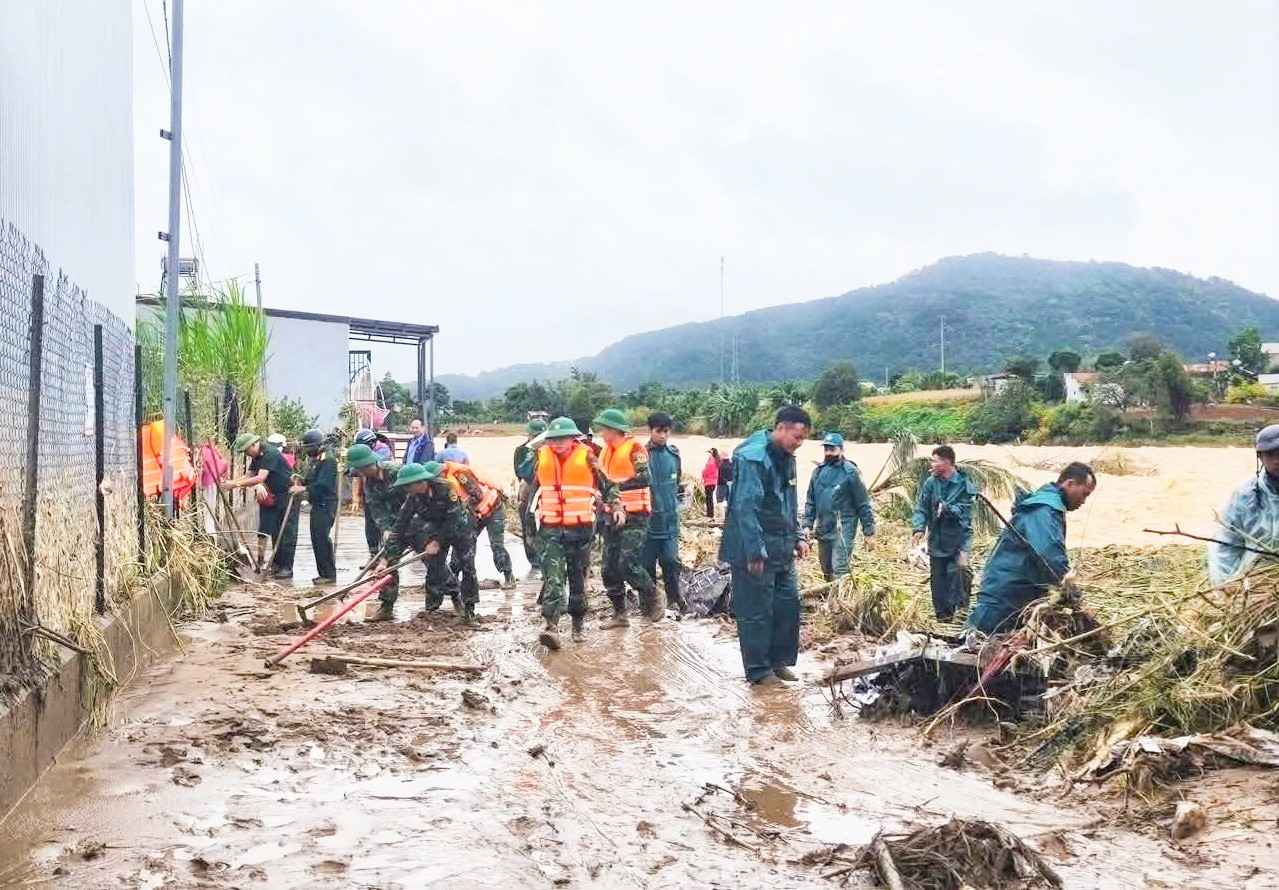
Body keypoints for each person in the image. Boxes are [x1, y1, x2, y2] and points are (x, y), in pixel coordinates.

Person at [719, 406, 812, 687]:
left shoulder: (787, 457)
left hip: (781, 545)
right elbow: (746, 507)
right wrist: (754, 551)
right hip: (752, 547)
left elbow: (789, 501)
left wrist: (798, 536)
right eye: (797, 437)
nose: (799, 443)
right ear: (781, 428)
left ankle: (778, 662)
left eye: (803, 439)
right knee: (756, 610)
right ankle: (759, 671)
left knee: (787, 604)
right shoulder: (753, 458)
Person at [521, 416, 621, 649]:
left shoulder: (588, 457)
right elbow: (531, 488)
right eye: (553, 439)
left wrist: (616, 507)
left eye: (562, 439)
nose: (557, 444)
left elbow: (609, 484)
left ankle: (577, 624)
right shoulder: (541, 457)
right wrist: (529, 528)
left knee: (577, 579)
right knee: (553, 579)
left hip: (580, 531)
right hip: (550, 530)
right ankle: (551, 626)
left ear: (573, 438)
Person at [969, 462, 1096, 634]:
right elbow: (1049, 556)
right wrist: (1070, 592)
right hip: (1007, 593)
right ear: (1070, 483)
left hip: (1018, 592)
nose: (1083, 501)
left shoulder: (1046, 506)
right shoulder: (1043, 511)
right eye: (1084, 494)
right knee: (978, 642)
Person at [379, 461, 480, 625]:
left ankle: (469, 610)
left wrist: (437, 542)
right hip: (438, 528)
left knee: (467, 566)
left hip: (462, 528)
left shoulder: (446, 489)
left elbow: (453, 519)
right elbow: (399, 526)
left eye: (408, 485)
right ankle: (432, 609)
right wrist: (385, 558)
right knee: (435, 565)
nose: (406, 489)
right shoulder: (413, 497)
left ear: (420, 482)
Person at [594, 408, 662, 627]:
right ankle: (620, 614)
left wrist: (614, 485)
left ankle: (653, 596)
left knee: (627, 563)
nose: (601, 433)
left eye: (604, 429)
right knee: (609, 568)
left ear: (614, 430)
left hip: (635, 514)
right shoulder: (605, 452)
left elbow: (645, 477)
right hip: (611, 516)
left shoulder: (634, 448)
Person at [911, 445, 976, 621]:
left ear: (947, 462)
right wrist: (918, 528)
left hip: (959, 538)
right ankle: (943, 617)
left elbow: (964, 511)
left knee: (960, 570)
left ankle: (961, 610)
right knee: (938, 580)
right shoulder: (931, 483)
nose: (931, 465)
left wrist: (947, 509)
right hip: (937, 539)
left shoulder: (964, 484)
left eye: (935, 461)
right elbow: (921, 507)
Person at [1209, 424, 1279, 584]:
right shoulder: (1244, 496)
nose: (1277, 460)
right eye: (1270, 454)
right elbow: (1226, 543)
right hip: (1258, 581)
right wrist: (1226, 585)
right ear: (1260, 457)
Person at [803, 432, 876, 581]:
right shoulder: (817, 472)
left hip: (843, 528)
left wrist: (869, 532)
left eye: (832, 449)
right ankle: (831, 593)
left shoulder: (851, 472)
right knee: (826, 569)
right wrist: (807, 525)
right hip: (823, 526)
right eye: (826, 449)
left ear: (842, 450)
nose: (828, 453)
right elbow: (810, 501)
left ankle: (840, 595)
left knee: (840, 568)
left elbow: (863, 503)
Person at [224, 433, 298, 579]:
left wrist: (235, 484)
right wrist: (232, 483)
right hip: (273, 496)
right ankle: (277, 565)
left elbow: (260, 477)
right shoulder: (257, 456)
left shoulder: (270, 453)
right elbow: (250, 475)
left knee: (286, 533)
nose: (246, 454)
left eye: (246, 450)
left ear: (254, 444)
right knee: (275, 532)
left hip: (287, 495)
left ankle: (286, 568)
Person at [347, 444, 407, 622]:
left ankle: (451, 599)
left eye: (363, 469)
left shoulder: (397, 472)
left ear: (372, 463)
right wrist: (386, 529)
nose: (362, 473)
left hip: (415, 521)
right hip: (394, 527)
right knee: (388, 563)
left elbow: (415, 498)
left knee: (434, 561)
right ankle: (386, 607)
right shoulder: (369, 483)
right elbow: (376, 509)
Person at [440, 459, 516, 589]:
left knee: (496, 544)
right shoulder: (443, 485)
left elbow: (478, 495)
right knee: (463, 542)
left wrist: (463, 510)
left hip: (493, 508)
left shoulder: (460, 476)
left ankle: (508, 576)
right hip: (477, 513)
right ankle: (453, 577)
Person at [643, 412, 686, 612]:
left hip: (669, 520)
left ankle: (674, 599)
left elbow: (676, 485)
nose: (663, 435)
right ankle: (649, 603)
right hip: (647, 522)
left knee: (670, 561)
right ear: (650, 431)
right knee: (646, 565)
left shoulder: (674, 456)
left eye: (666, 431)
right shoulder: (642, 456)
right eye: (658, 431)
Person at [295, 429, 337, 585]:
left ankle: (329, 574)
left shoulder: (328, 460)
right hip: (318, 504)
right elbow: (313, 479)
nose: (306, 451)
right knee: (317, 539)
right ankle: (323, 573)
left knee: (321, 539)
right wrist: (302, 480)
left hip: (326, 504)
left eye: (308, 447)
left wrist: (303, 489)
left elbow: (323, 485)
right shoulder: (318, 459)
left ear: (317, 445)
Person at [514, 419, 548, 579]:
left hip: (540, 490)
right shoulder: (523, 450)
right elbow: (520, 472)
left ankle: (539, 559)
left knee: (535, 525)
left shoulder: (547, 450)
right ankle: (535, 560)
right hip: (530, 488)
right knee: (529, 524)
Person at [355, 428, 393, 556]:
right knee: (371, 521)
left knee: (386, 524)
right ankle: (374, 553)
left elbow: (377, 464)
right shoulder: (364, 468)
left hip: (387, 491)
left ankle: (386, 554)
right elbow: (353, 470)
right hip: (371, 491)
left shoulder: (383, 450)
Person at [702, 449, 720, 519]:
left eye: (709, 453)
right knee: (710, 498)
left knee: (709, 499)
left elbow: (706, 471)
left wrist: (703, 473)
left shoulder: (711, 461)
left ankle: (710, 514)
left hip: (709, 482)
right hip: (713, 482)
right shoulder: (716, 460)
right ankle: (710, 513)